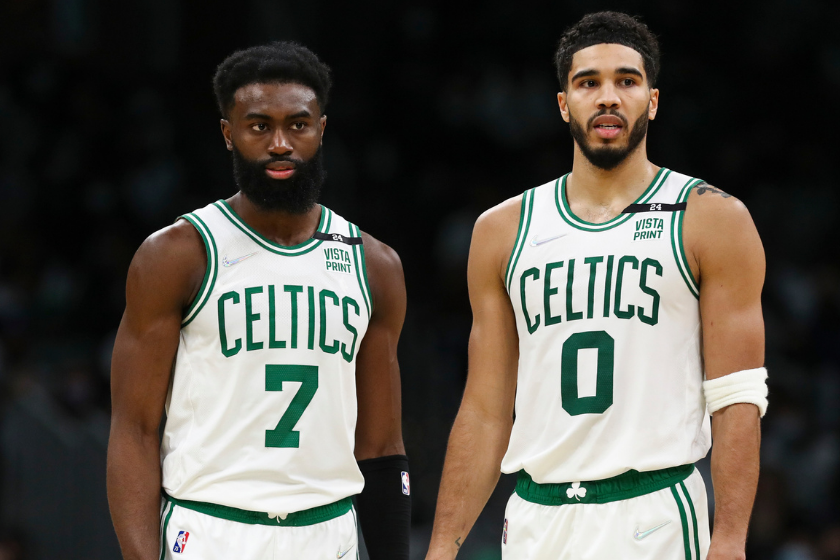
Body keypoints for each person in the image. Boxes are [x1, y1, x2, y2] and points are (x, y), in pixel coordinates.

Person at [426, 11, 766, 560]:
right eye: (588, 83)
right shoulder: (500, 230)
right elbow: (487, 408)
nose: (608, 97)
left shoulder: (710, 217)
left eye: (627, 81)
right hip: (535, 516)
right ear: (564, 105)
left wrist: (728, 539)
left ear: (652, 100)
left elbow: (736, 396)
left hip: (654, 509)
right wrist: (442, 547)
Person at [107, 42, 411, 560]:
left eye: (297, 124)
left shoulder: (374, 264)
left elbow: (381, 448)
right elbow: (134, 430)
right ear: (229, 134)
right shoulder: (177, 255)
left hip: (327, 531)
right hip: (210, 527)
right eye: (258, 126)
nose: (279, 143)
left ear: (321, 129)